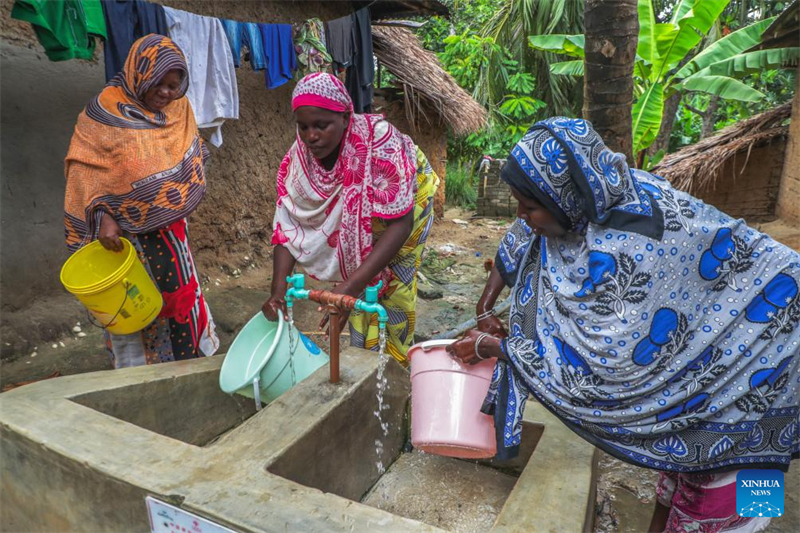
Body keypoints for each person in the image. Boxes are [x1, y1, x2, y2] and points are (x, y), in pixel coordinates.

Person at [447, 118, 799, 533]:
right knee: (679, 479)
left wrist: (493, 348)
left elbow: (603, 371)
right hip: (704, 385)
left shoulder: (632, 244)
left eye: (530, 207)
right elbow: (522, 240)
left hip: (766, 362)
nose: (522, 217)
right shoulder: (586, 195)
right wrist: (485, 305)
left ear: (564, 201)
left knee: (728, 507)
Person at [262, 73, 438, 366]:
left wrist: (349, 288)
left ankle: (393, 369)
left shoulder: (382, 143)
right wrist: (278, 291)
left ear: (345, 118)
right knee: (357, 279)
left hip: (407, 207)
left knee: (393, 287)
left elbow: (401, 224)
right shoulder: (300, 158)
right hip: (360, 223)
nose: (311, 136)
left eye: (321, 126)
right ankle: (362, 359)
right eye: (303, 127)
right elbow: (288, 221)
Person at [64, 34, 218, 367]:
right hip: (126, 241)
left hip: (171, 235)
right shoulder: (102, 114)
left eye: (173, 86)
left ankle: (188, 364)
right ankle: (140, 376)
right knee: (134, 304)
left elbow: (190, 155)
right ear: (139, 74)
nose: (166, 93)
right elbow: (82, 171)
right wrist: (103, 214)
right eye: (158, 83)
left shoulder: (179, 109)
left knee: (179, 297)